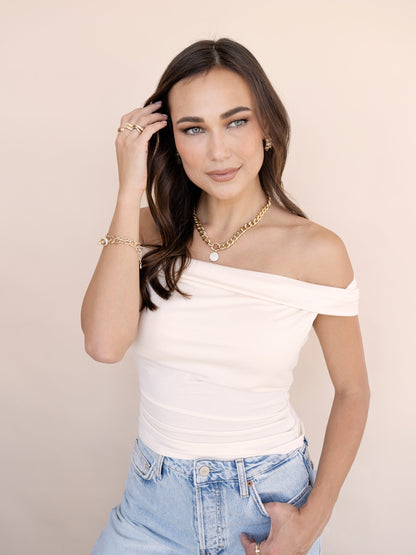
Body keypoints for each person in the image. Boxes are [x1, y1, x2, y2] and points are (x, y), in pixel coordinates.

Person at [81, 38, 370, 555]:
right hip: (151, 507)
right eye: (194, 129)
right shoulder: (145, 231)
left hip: (267, 503)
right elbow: (104, 344)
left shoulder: (316, 250)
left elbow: (352, 391)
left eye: (236, 121)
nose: (218, 151)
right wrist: (129, 192)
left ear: (267, 129)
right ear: (171, 142)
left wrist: (312, 521)